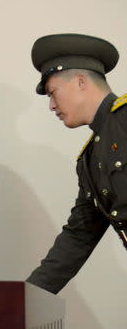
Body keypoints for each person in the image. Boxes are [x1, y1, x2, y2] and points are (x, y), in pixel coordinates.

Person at [26, 33, 127, 294]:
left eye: (53, 92)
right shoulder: (90, 160)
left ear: (80, 82)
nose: (51, 106)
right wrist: (26, 297)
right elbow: (79, 235)